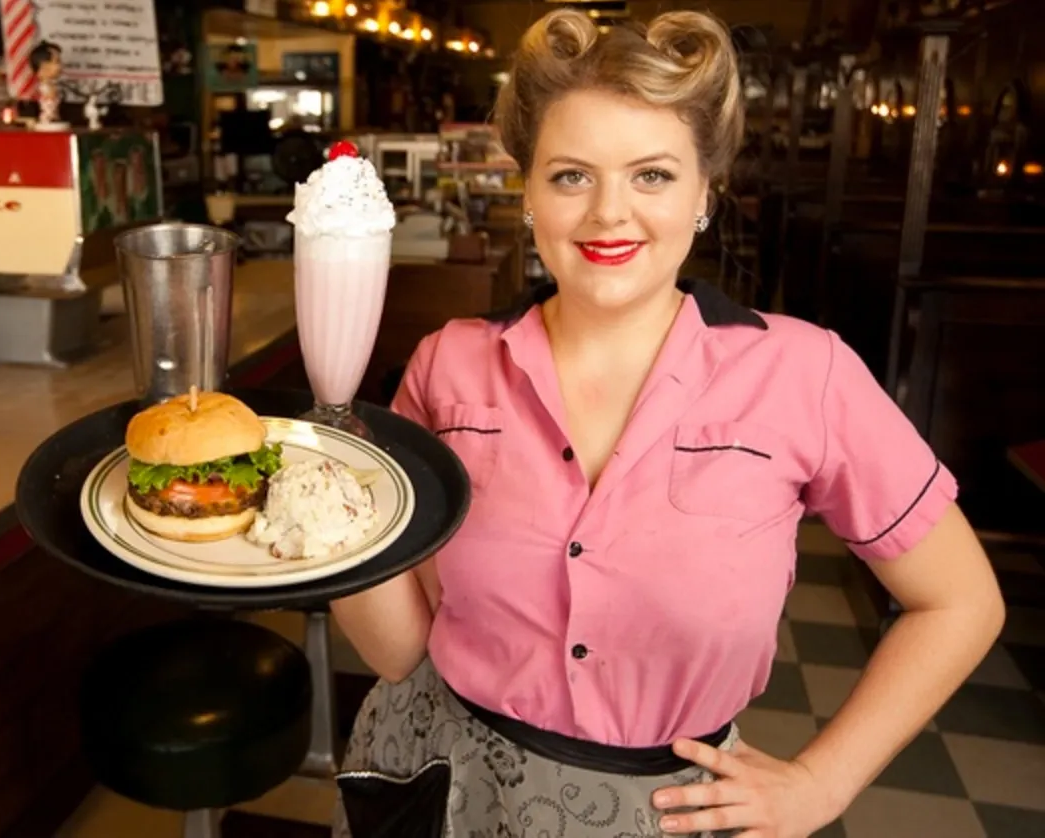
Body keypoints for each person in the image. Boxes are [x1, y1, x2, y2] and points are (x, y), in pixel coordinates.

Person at [330, 9, 1004, 838]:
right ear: (531, 191)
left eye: (651, 175)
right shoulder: (450, 364)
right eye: (572, 175)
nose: (610, 213)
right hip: (438, 776)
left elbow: (960, 602)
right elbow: (402, 647)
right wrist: (331, 509)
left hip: (663, 813)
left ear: (703, 195)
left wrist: (822, 786)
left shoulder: (803, 371)